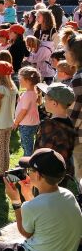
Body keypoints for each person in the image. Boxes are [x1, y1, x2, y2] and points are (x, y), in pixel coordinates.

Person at [0, 148, 82, 251]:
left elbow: (26, 233)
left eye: (29, 170)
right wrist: (27, 195)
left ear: (38, 175)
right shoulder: (68, 195)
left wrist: (15, 201)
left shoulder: (33, 207)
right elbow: (41, 217)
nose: (27, 173)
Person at [65, 33, 82, 184]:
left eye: (66, 51)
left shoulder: (78, 79)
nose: (64, 54)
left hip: (80, 138)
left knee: (80, 176)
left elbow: (74, 113)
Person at [13, 66, 41, 156]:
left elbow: (23, 111)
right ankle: (28, 161)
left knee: (27, 145)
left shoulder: (27, 95)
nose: (19, 80)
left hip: (26, 124)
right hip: (33, 123)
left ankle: (28, 164)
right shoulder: (33, 92)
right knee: (28, 144)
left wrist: (16, 122)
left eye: (20, 78)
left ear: (28, 81)